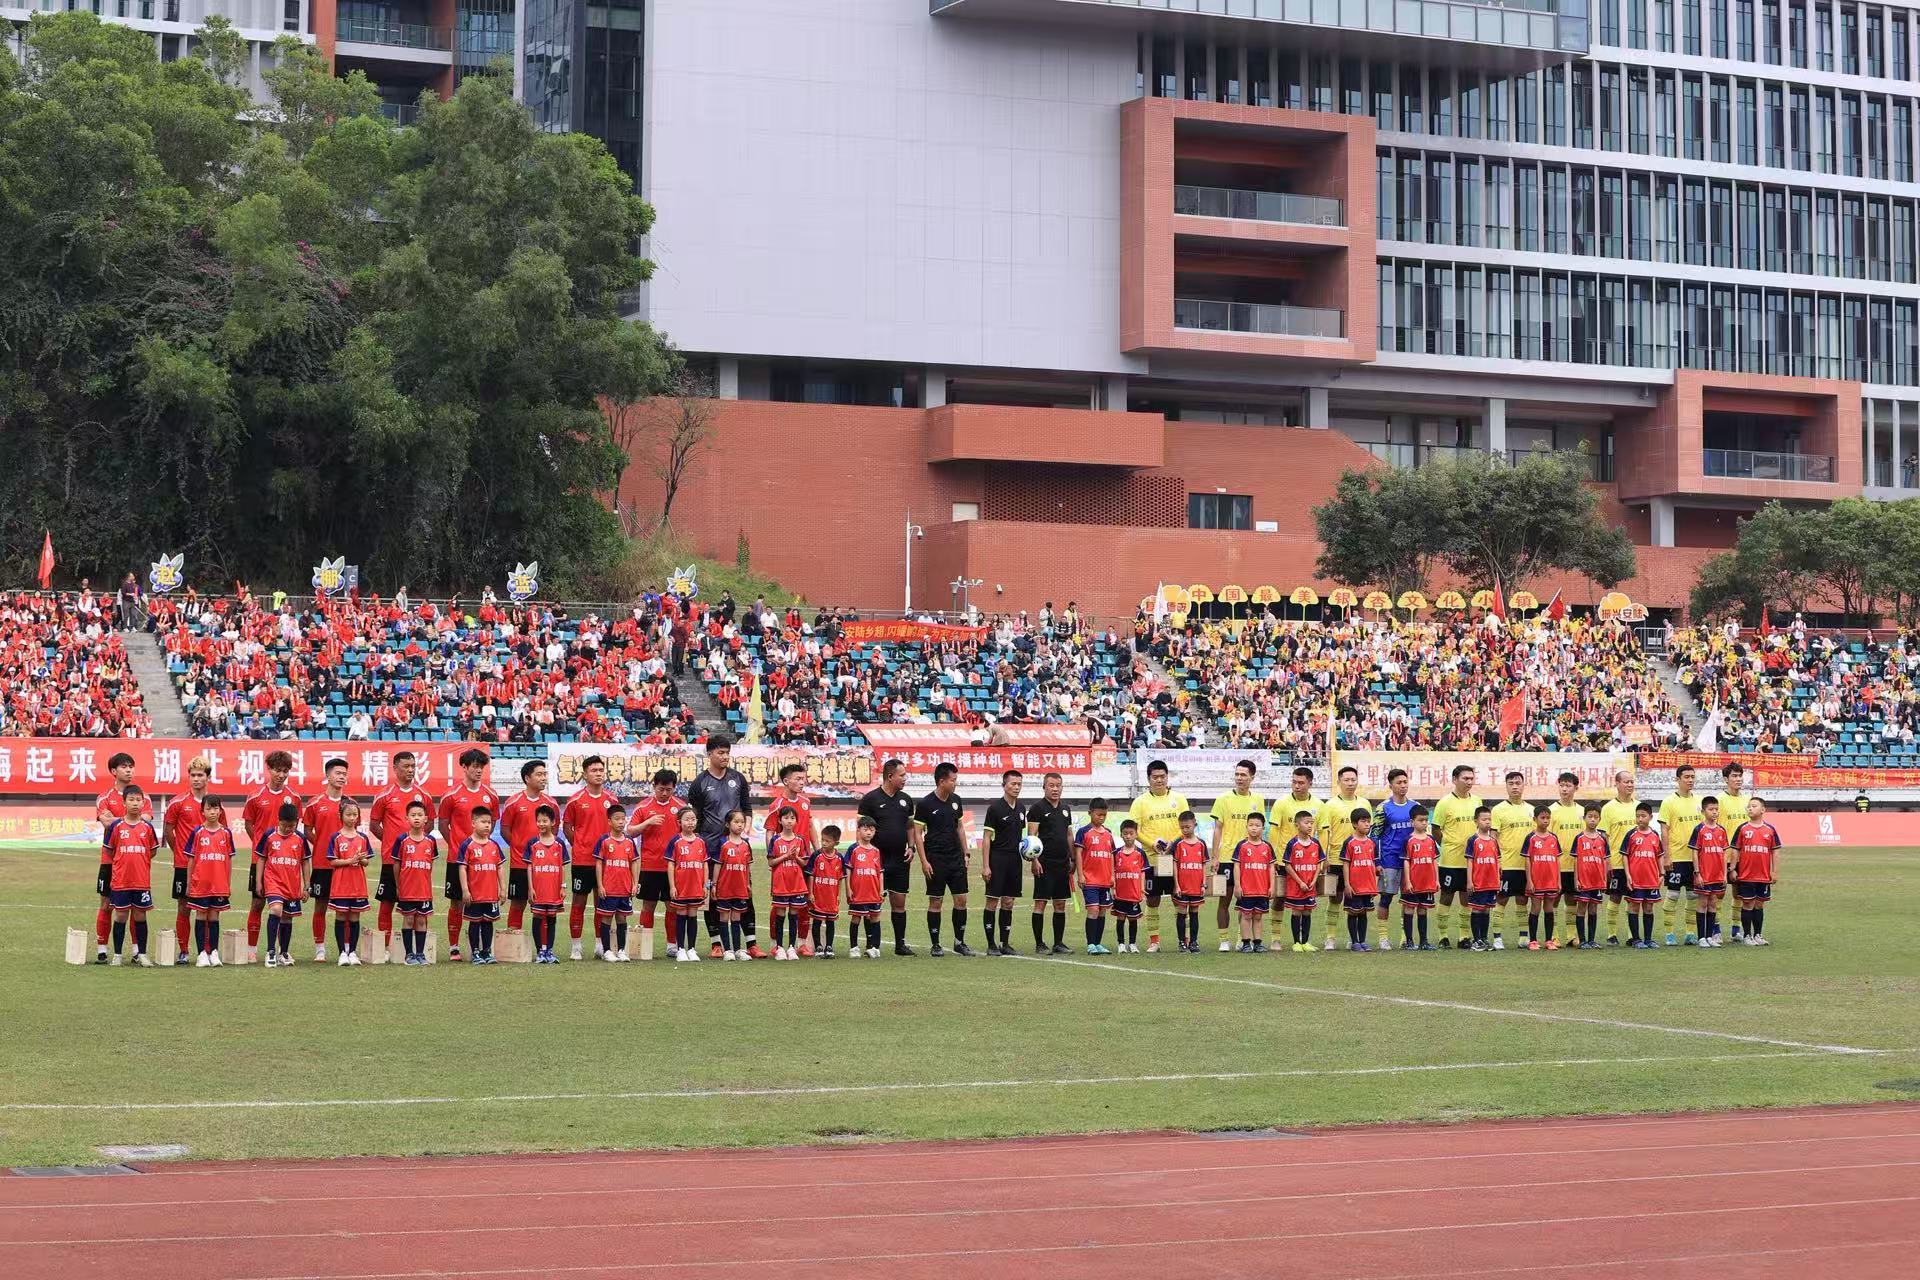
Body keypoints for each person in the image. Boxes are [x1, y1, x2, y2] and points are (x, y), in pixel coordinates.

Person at [688, 736, 756, 958]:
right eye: (720, 753)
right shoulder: (699, 783)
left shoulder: (738, 778)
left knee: (744, 893)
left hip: (736, 848)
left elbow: (746, 808)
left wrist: (744, 830)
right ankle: (716, 943)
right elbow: (695, 816)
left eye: (727, 752)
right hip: (710, 847)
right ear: (709, 754)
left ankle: (751, 943)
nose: (725, 756)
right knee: (713, 896)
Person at [438, 747, 498, 963]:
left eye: (481, 767)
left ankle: (482, 948)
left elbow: (493, 822)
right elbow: (444, 824)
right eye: (474, 766)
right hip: (457, 859)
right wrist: (458, 847)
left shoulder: (490, 795)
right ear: (464, 767)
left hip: (484, 862)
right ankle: (454, 946)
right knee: (457, 902)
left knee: (483, 902)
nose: (478, 771)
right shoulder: (451, 795)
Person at [370, 751, 434, 948]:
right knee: (387, 903)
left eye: (413, 766)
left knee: (419, 908)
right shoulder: (385, 795)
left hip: (417, 863)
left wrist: (415, 844)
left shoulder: (424, 795)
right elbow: (374, 825)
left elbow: (430, 822)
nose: (410, 770)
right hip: (392, 860)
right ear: (395, 769)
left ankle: (417, 948)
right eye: (406, 766)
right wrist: (396, 845)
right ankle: (385, 947)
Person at [241, 749, 299, 964]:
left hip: (286, 863)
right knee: (257, 904)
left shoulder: (293, 798)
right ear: (269, 769)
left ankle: (282, 951)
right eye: (277, 770)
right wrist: (262, 846)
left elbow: (294, 827)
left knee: (285, 910)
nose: (281, 775)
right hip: (261, 861)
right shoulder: (256, 796)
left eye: (285, 771)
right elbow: (249, 824)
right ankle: (252, 948)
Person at [562, 754, 621, 960]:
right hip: (583, 860)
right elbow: (567, 826)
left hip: (606, 861)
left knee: (601, 902)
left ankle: (599, 944)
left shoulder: (611, 800)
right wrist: (578, 844)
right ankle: (576, 946)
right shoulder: (576, 800)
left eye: (600, 770)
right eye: (594, 770)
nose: (598, 773)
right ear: (585, 774)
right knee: (578, 902)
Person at [1126, 760, 1189, 953]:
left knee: (1180, 899)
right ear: (1148, 779)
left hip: (1174, 859)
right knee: (1153, 900)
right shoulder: (1140, 802)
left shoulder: (1179, 799)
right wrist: (1151, 843)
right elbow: (1134, 830)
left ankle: (1183, 940)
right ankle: (1154, 941)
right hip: (1151, 860)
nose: (1159, 780)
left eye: (1162, 776)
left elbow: (1186, 826)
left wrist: (1173, 842)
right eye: (1155, 777)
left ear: (1167, 777)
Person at [857, 757, 918, 955]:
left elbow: (910, 826)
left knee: (899, 902)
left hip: (900, 859)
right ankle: (872, 945)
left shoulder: (906, 800)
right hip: (876, 861)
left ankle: (900, 944)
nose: (905, 779)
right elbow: (862, 829)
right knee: (873, 903)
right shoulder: (870, 799)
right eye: (902, 775)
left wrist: (911, 847)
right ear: (890, 776)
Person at [912, 762, 972, 956]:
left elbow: (960, 827)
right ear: (941, 781)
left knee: (961, 900)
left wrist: (966, 852)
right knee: (936, 901)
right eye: (953, 780)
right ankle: (936, 944)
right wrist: (924, 861)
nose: (955, 783)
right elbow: (918, 833)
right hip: (935, 859)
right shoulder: (925, 804)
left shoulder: (956, 800)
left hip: (956, 858)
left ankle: (959, 942)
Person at [1208, 760, 1267, 953]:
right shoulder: (1223, 799)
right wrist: (1215, 856)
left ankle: (1244, 939)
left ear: (1252, 777)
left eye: (1243, 775)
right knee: (1224, 900)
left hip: (1250, 859)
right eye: (1237, 774)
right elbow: (1217, 829)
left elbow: (1258, 827)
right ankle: (1224, 939)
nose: (1239, 778)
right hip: (1227, 858)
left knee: (1246, 902)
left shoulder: (1257, 799)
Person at [626, 769, 687, 957]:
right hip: (650, 865)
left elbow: (689, 831)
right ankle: (645, 945)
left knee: (672, 906)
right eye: (661, 789)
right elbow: (630, 831)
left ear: (674, 788)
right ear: (654, 786)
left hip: (673, 867)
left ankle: (672, 945)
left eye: (669, 789)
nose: (665, 793)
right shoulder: (643, 807)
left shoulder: (681, 807)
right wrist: (648, 822)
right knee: (648, 906)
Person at [161, 755, 212, 966]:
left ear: (208, 777)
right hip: (184, 865)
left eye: (200, 775)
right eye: (193, 775)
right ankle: (183, 950)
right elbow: (168, 831)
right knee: (184, 907)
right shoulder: (178, 802)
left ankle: (208, 950)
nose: (196, 779)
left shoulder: (214, 804)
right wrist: (180, 852)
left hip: (209, 865)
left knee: (208, 908)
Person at [1314, 765, 1371, 951]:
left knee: (1358, 900)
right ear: (1339, 782)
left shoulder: (1364, 803)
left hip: (1360, 863)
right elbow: (1324, 833)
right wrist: (1324, 857)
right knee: (1336, 898)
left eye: (1353, 780)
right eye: (1346, 780)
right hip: (1337, 860)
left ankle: (1353, 939)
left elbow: (1368, 834)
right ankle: (1330, 937)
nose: (1350, 783)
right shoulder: (1329, 806)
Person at [102, 786, 160, 967]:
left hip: (141, 881)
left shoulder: (147, 828)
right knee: (120, 916)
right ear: (124, 803)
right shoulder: (116, 827)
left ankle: (142, 954)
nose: (135, 803)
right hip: (121, 881)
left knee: (140, 916)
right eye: (131, 800)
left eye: (138, 800)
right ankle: (117, 955)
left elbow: (152, 851)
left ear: (143, 803)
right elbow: (110, 851)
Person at [764, 764, 817, 955]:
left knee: (803, 901)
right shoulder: (777, 805)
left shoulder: (805, 801)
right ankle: (774, 944)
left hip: (803, 859)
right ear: (786, 781)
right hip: (784, 861)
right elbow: (770, 831)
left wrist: (816, 850)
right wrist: (775, 857)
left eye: (804, 778)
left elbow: (810, 825)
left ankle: (801, 943)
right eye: (798, 779)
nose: (802, 782)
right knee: (779, 903)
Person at [302, 757, 350, 963]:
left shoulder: (350, 804)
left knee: (346, 908)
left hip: (346, 865)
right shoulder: (314, 803)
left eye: (344, 774)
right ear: (327, 775)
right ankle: (320, 948)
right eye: (338, 773)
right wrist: (323, 845)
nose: (342, 777)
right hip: (322, 864)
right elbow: (307, 830)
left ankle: (347, 948)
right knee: (320, 906)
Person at [91, 752, 137, 963]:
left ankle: (137, 950)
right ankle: (102, 948)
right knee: (106, 904)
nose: (129, 770)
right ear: (113, 771)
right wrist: (130, 817)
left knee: (137, 906)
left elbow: (145, 818)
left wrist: (117, 818)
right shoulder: (104, 797)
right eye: (124, 767)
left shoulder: (139, 796)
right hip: (110, 860)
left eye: (131, 766)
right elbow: (106, 822)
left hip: (134, 860)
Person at [498, 760, 554, 934]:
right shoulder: (513, 802)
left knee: (545, 905)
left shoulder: (550, 804)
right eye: (539, 774)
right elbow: (505, 830)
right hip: (520, 864)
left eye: (545, 774)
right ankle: (513, 943)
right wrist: (519, 848)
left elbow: (554, 831)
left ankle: (544, 950)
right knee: (518, 903)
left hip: (544, 865)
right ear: (527, 778)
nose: (543, 778)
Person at [1267, 767, 1320, 950]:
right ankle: (1276, 938)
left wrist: (1324, 858)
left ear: (1310, 783)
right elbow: (1274, 832)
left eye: (1301, 782)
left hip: (1309, 864)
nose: (1297, 786)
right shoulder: (1281, 803)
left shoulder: (1319, 805)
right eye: (1294, 782)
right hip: (1285, 861)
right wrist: (1273, 859)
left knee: (1307, 903)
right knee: (1280, 899)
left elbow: (1322, 832)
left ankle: (1304, 941)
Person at [182, 796, 237, 966]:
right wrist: (189, 882)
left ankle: (213, 952)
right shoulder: (197, 832)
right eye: (208, 809)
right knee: (200, 914)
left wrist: (227, 883)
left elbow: (228, 861)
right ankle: (201, 954)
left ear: (220, 810)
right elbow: (191, 860)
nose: (212, 812)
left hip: (219, 884)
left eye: (215, 808)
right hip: (200, 883)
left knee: (214, 916)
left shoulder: (226, 833)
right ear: (202, 811)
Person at [1431, 764, 1481, 949]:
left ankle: (1464, 937)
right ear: (1454, 779)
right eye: (1465, 778)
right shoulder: (1444, 802)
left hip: (1471, 860)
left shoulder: (1477, 801)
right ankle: (1443, 936)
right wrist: (1448, 844)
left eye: (1471, 778)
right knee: (1446, 896)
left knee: (1467, 897)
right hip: (1450, 859)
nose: (1469, 781)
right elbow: (1436, 829)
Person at [256, 802, 311, 968]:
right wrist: (258, 881)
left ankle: (284, 952)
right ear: (278, 821)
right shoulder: (269, 835)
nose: (288, 829)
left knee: (287, 916)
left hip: (292, 883)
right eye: (284, 825)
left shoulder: (300, 838)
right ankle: (271, 951)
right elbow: (261, 858)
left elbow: (305, 861)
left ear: (297, 823)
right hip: (273, 881)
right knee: (276, 910)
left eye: (292, 826)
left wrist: (307, 884)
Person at [1024, 771, 1073, 955]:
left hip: (1062, 863)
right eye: (1051, 785)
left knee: (1060, 904)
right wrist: (1034, 860)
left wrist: (1072, 858)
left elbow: (1069, 835)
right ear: (1044, 787)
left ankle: (1058, 943)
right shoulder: (1037, 808)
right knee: (1041, 903)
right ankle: (1039, 944)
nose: (1055, 789)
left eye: (1058, 785)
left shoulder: (1066, 808)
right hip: (1044, 863)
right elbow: (1032, 837)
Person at [1656, 764, 1704, 946]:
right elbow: (1664, 831)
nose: (1690, 780)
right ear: (1677, 779)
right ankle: (1669, 934)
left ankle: (1690, 933)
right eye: (1686, 777)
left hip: (1695, 859)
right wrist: (1667, 856)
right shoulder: (1669, 802)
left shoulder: (1699, 801)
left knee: (1693, 896)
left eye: (1692, 776)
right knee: (1673, 895)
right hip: (1676, 857)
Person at [391, 801, 443, 966]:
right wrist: (399, 885)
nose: (417, 818)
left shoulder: (431, 841)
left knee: (421, 920)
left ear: (426, 819)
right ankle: (409, 955)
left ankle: (420, 954)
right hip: (407, 889)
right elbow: (397, 864)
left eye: (420, 815)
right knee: (408, 919)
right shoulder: (402, 840)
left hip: (424, 890)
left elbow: (430, 864)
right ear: (407, 818)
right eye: (413, 815)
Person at [324, 798, 375, 966]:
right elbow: (332, 861)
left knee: (354, 917)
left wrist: (360, 860)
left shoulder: (362, 837)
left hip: (357, 885)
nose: (352, 818)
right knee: (340, 916)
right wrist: (350, 860)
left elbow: (367, 861)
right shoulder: (336, 837)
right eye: (349, 814)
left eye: (355, 814)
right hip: (341, 885)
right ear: (341, 816)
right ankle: (341, 953)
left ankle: (352, 952)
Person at [981, 768, 1027, 956]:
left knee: (1008, 902)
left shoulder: (1022, 808)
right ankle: (991, 944)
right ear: (1004, 785)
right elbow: (986, 838)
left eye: (1019, 784)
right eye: (1013, 784)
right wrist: (986, 865)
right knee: (992, 901)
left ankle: (1004, 943)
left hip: (1015, 860)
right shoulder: (995, 809)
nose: (1016, 787)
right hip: (997, 858)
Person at [1489, 770, 1534, 952]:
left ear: (1524, 785)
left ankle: (1524, 937)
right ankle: (1497, 938)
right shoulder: (1498, 809)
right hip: (1506, 864)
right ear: (1506, 786)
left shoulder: (1531, 810)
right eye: (1511, 783)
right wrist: (1496, 863)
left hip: (1526, 865)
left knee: (1523, 899)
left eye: (1518, 783)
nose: (1515, 786)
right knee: (1501, 899)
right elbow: (1493, 839)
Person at [455, 807, 505, 964]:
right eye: (483, 822)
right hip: (475, 895)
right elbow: (462, 868)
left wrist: (503, 888)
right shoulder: (467, 845)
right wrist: (465, 890)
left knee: (488, 922)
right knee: (475, 922)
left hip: (491, 894)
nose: (487, 825)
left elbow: (500, 866)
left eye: (489, 822)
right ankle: (475, 952)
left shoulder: (494, 845)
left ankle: (486, 951)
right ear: (473, 823)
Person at [1374, 768, 1416, 951]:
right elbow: (1375, 836)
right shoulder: (1383, 808)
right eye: (1399, 782)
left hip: (1410, 862)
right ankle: (1383, 938)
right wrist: (1377, 861)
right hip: (1389, 860)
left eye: (1405, 782)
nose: (1403, 786)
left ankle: (1405, 937)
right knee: (1386, 898)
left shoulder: (1415, 806)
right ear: (1390, 785)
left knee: (1408, 900)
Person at [1731, 796, 1781, 945]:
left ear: (1763, 810)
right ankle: (1747, 936)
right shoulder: (1742, 828)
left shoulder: (1770, 830)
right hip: (1746, 875)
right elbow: (1735, 850)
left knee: (1759, 904)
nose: (1750, 808)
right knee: (1747, 904)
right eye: (1749, 806)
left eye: (1754, 806)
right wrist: (1732, 869)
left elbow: (1775, 851)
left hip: (1763, 875)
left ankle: (1758, 935)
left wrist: (1775, 871)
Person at [1597, 770, 1639, 946]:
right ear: (1617, 784)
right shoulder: (1608, 808)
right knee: (1615, 897)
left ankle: (1632, 935)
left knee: (1633, 898)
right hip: (1615, 861)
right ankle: (1611, 934)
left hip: (1637, 863)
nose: (1629, 785)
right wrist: (1606, 862)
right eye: (1626, 782)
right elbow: (1603, 838)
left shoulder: (1639, 806)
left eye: (1631, 782)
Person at [592, 802, 638, 962]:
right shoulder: (604, 841)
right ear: (609, 821)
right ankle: (606, 951)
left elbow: (634, 862)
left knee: (622, 918)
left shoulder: (630, 842)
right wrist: (600, 885)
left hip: (624, 888)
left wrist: (634, 883)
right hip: (609, 888)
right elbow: (598, 863)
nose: (620, 822)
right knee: (606, 918)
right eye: (617, 819)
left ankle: (621, 950)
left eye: (623, 819)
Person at [1620, 802, 1668, 949]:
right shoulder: (1631, 835)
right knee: (1634, 907)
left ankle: (1648, 939)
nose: (1640, 819)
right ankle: (1635, 939)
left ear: (1650, 817)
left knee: (1648, 908)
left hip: (1651, 879)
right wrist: (1627, 875)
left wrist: (1662, 873)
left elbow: (1660, 855)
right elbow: (1625, 856)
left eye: (1643, 816)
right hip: (1635, 879)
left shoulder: (1654, 835)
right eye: (1637, 816)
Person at [1547, 771, 1586, 947]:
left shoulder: (1582, 812)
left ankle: (1571, 936)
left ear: (1576, 788)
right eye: (1562, 785)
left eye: (1568, 785)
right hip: (1555, 865)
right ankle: (1554, 936)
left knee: (1572, 899)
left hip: (1576, 866)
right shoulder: (1551, 811)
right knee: (1553, 899)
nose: (1564, 789)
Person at [767, 805, 811, 960]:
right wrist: (786, 856)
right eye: (786, 818)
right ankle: (779, 948)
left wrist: (795, 857)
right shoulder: (775, 840)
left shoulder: (800, 840)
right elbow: (771, 862)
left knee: (794, 914)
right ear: (780, 820)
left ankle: (792, 947)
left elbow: (805, 863)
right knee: (780, 914)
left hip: (797, 883)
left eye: (792, 818)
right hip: (781, 884)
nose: (789, 821)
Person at [1074, 798, 1117, 954]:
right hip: (1090, 878)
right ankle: (1091, 944)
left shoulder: (1108, 833)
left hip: (1105, 880)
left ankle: (1098, 943)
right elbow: (1078, 853)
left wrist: (1112, 876)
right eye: (1098, 814)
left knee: (1102, 911)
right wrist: (1080, 874)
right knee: (1093, 909)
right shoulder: (1083, 832)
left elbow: (1112, 855)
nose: (1101, 818)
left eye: (1104, 815)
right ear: (1090, 813)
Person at [1715, 763, 1753, 939]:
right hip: (1723, 855)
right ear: (1726, 779)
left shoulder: (1747, 801)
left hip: (1744, 856)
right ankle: (1715, 930)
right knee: (1719, 892)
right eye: (1734, 776)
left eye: (1740, 776)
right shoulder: (1719, 801)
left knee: (1739, 893)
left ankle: (1736, 929)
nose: (1738, 779)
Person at [525, 805, 568, 963]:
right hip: (538, 889)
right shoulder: (532, 843)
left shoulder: (560, 844)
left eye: (545, 821)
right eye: (539, 821)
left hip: (554, 889)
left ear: (553, 822)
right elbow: (529, 867)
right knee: (537, 917)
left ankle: (549, 950)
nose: (541, 824)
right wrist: (530, 888)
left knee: (551, 918)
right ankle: (539, 952)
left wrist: (563, 886)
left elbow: (562, 866)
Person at [711, 810, 755, 960]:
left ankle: (737, 950)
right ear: (728, 824)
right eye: (736, 822)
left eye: (742, 822)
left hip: (740, 887)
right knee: (724, 918)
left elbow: (747, 866)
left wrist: (748, 883)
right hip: (725, 887)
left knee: (736, 919)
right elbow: (717, 865)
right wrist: (714, 885)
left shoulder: (746, 844)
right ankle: (727, 950)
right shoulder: (723, 843)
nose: (740, 825)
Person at [1688, 794, 1731, 948]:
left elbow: (1725, 853)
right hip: (1704, 874)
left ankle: (1710, 936)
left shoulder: (1721, 830)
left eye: (1716, 809)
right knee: (1703, 903)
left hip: (1718, 874)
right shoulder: (1699, 829)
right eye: (1711, 809)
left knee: (1713, 903)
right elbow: (1694, 852)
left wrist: (1725, 874)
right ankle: (1701, 937)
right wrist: (1697, 873)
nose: (1714, 812)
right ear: (1703, 811)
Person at [667, 807, 709, 963]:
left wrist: (705, 885)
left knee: (692, 916)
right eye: (687, 819)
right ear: (679, 822)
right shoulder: (675, 841)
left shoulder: (701, 842)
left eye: (693, 819)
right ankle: (680, 949)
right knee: (681, 916)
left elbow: (704, 864)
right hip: (681, 886)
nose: (690, 822)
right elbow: (671, 865)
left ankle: (691, 948)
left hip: (696, 886)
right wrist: (672, 886)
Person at [1279, 808, 1322, 952]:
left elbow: (1318, 864)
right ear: (1297, 825)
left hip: (1310, 886)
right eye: (1306, 822)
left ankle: (1306, 942)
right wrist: (1300, 882)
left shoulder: (1316, 843)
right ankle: (1296, 942)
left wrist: (1314, 880)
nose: (1310, 826)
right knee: (1297, 911)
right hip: (1296, 886)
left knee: (1307, 912)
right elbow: (1288, 865)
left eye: (1311, 823)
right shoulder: (1293, 844)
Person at [844, 814, 886, 958]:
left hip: (873, 892)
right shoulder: (853, 849)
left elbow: (880, 872)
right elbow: (848, 870)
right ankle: (854, 947)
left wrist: (881, 890)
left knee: (875, 918)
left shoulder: (876, 851)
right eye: (865, 829)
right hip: (858, 892)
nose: (868, 832)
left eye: (872, 830)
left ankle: (875, 947)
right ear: (858, 830)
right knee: (856, 918)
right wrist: (848, 888)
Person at [1169, 809, 1211, 954]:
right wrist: (1177, 885)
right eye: (1182, 827)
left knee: (1194, 911)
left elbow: (1204, 864)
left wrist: (1204, 883)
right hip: (1183, 886)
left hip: (1196, 886)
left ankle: (1194, 942)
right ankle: (1181, 942)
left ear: (1195, 824)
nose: (1185, 830)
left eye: (1188, 827)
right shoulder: (1178, 844)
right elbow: (1175, 864)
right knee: (1181, 911)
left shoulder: (1201, 844)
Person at [1523, 805, 1563, 951]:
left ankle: (1548, 940)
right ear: (1535, 819)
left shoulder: (1553, 838)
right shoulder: (1531, 838)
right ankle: (1533, 940)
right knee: (1535, 908)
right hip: (1537, 881)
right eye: (1542, 818)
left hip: (1551, 880)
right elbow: (1527, 860)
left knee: (1549, 909)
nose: (1545, 821)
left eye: (1548, 818)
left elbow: (1557, 860)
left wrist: (1558, 880)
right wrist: (1529, 880)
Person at [1570, 806, 1611, 949]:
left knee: (1593, 909)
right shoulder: (1579, 838)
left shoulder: (1602, 839)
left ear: (1600, 819)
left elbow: (1605, 860)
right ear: (1584, 818)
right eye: (1590, 816)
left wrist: (1605, 879)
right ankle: (1582, 940)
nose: (1593, 819)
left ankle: (1592, 940)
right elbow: (1575, 860)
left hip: (1598, 881)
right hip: (1584, 880)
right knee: (1581, 909)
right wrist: (1576, 879)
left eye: (1596, 817)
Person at [1339, 809, 1380, 952]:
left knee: (1364, 912)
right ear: (1355, 824)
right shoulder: (1349, 843)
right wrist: (1347, 884)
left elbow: (1374, 862)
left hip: (1368, 885)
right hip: (1354, 885)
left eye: (1368, 821)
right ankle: (1354, 942)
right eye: (1363, 821)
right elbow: (1346, 864)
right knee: (1353, 912)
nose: (1367, 824)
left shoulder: (1372, 843)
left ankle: (1363, 941)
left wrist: (1377, 870)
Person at [1400, 805, 1440, 950]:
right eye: (1421, 820)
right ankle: (1409, 942)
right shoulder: (1408, 840)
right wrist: (1408, 881)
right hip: (1413, 883)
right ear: (1412, 821)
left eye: (1426, 820)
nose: (1424, 823)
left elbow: (1434, 860)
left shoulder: (1430, 839)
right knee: (1409, 909)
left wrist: (1436, 880)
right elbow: (1406, 861)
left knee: (1423, 910)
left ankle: (1424, 942)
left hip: (1427, 882)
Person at [1463, 806, 1502, 952]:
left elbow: (1497, 861)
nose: (1487, 822)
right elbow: (1470, 861)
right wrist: (1469, 881)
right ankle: (1476, 939)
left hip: (1491, 882)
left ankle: (1484, 938)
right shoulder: (1473, 840)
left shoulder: (1493, 841)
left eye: (1489, 819)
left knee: (1486, 910)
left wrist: (1498, 879)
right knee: (1477, 910)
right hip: (1478, 882)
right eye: (1484, 819)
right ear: (1476, 821)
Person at [1111, 820, 1149, 954]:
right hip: (1120, 893)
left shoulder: (1140, 853)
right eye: (1125, 833)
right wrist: (1114, 888)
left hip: (1134, 893)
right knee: (1120, 918)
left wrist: (1141, 889)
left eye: (1131, 833)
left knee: (1133, 919)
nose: (1128, 836)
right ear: (1121, 835)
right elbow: (1113, 872)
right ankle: (1121, 944)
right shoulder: (1116, 853)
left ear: (1136, 834)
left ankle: (1132, 943)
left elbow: (1142, 872)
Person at [807, 824, 846, 958]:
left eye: (827, 841)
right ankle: (818, 946)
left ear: (836, 843)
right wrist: (811, 893)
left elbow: (840, 877)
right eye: (822, 839)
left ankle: (829, 946)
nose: (823, 843)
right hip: (818, 895)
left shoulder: (840, 858)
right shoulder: (817, 855)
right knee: (817, 920)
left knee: (830, 921)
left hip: (831, 895)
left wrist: (839, 895)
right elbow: (811, 874)